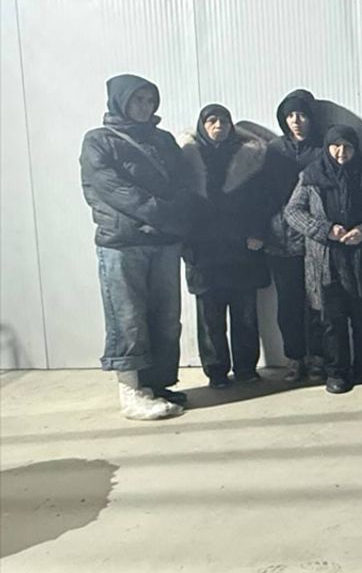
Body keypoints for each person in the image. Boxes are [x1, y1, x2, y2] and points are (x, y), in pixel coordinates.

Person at [81, 74, 194, 420]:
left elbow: (183, 182)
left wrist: (173, 217)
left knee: (166, 317)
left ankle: (156, 385)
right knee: (127, 318)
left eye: (149, 101)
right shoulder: (98, 141)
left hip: (163, 241)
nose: (145, 107)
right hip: (123, 242)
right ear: (120, 101)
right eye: (137, 100)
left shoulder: (162, 140)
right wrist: (162, 215)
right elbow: (115, 190)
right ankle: (131, 392)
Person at [285, 125, 362, 394]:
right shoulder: (310, 176)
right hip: (327, 261)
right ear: (327, 147)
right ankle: (337, 372)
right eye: (336, 146)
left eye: (348, 146)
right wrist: (326, 230)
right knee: (333, 321)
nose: (342, 152)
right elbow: (293, 212)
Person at [179, 104, 271, 389]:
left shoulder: (249, 157)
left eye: (224, 121)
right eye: (212, 120)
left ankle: (246, 368)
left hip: (241, 249)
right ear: (202, 125)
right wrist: (185, 244)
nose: (218, 126)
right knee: (210, 317)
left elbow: (263, 201)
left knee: (245, 314)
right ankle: (216, 371)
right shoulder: (185, 158)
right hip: (203, 251)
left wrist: (258, 233)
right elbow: (179, 206)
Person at [262, 89, 327, 383]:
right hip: (281, 240)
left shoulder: (323, 148)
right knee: (288, 303)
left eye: (301, 115)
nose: (296, 121)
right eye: (290, 116)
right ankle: (294, 358)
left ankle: (318, 357)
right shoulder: (274, 150)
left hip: (314, 239)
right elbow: (261, 195)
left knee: (317, 302)